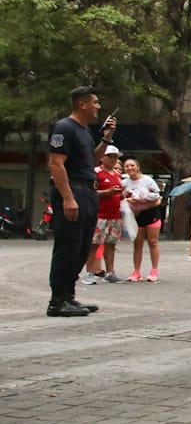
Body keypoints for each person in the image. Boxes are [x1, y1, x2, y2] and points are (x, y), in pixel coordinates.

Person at [45, 86, 115, 317]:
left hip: (88, 191)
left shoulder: (84, 131)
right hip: (73, 190)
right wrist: (68, 198)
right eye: (95, 102)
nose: (98, 106)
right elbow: (56, 163)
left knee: (82, 247)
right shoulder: (63, 128)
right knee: (68, 245)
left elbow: (91, 160)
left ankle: (68, 295)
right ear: (82, 104)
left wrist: (106, 138)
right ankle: (57, 301)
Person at [83, 145, 126, 285]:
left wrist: (122, 195)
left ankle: (110, 272)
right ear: (102, 157)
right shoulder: (96, 173)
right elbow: (89, 193)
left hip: (114, 215)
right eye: (110, 156)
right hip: (99, 215)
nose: (113, 160)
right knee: (94, 244)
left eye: (115, 157)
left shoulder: (117, 175)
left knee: (111, 244)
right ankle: (89, 272)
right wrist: (108, 192)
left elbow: (117, 194)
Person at [122, 157, 163, 283]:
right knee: (137, 243)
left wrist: (142, 199)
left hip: (151, 213)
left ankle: (154, 270)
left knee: (153, 241)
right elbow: (120, 196)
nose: (130, 168)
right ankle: (136, 271)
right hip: (134, 215)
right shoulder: (124, 183)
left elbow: (156, 196)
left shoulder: (148, 181)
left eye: (132, 165)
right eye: (127, 166)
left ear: (138, 167)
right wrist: (127, 198)